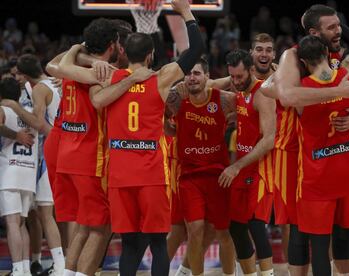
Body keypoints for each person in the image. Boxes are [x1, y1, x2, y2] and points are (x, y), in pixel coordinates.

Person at [86, 0, 204, 275]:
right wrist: (185, 11)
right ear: (151, 54)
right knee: (158, 244)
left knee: (128, 244)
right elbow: (196, 50)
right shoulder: (160, 79)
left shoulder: (110, 78)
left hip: (120, 174)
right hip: (151, 173)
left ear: (124, 52)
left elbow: (73, 68)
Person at [46, 18, 120, 276]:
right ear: (113, 45)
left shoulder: (67, 68)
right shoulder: (100, 73)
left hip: (67, 153)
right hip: (90, 157)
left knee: (85, 225)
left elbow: (51, 65)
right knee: (102, 225)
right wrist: (93, 61)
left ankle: (67, 273)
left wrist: (79, 49)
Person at [296, 35, 349, 276]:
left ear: (303, 61)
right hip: (348, 170)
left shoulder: (301, 91)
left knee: (319, 245)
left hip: (317, 176)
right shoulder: (347, 78)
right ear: (328, 54)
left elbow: (280, 93)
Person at [165, 58, 236, 276]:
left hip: (218, 175)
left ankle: (229, 274)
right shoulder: (177, 100)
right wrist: (173, 130)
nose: (192, 78)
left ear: (207, 77)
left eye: (197, 73)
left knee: (223, 233)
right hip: (189, 177)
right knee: (193, 230)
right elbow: (162, 118)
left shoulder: (225, 100)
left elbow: (247, 112)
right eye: (188, 74)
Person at [1, 54, 65, 275]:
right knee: (33, 218)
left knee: (38, 216)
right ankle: (38, 265)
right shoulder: (55, 83)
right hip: (35, 163)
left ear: (25, 75)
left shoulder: (37, 90)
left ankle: (54, 266)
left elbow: (40, 125)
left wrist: (15, 116)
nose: (16, 77)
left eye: (18, 73)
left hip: (42, 158)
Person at [218, 49, 276, 276]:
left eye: (239, 77)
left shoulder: (263, 94)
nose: (235, 81)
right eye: (231, 77)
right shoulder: (239, 91)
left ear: (251, 70)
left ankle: (268, 273)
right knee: (235, 225)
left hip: (261, 168)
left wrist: (236, 166)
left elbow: (269, 140)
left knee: (255, 225)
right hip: (242, 168)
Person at [0, 77, 37, 276]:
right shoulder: (29, 114)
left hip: (11, 171)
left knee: (12, 222)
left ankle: (16, 269)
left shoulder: (3, 110)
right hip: (28, 171)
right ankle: (24, 269)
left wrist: (14, 135)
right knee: (22, 223)